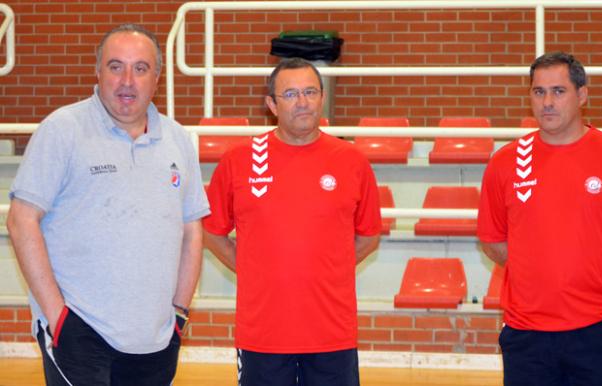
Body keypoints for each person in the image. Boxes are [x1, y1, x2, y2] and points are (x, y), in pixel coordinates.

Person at [7, 24, 209, 385]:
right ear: (98, 72)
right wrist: (58, 318)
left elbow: (192, 230)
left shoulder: (177, 139)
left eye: (140, 68)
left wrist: (179, 313)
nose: (127, 80)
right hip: (80, 333)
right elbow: (22, 221)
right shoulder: (62, 130)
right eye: (116, 67)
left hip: (157, 337)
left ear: (157, 77)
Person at [477, 51, 602, 386]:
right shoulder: (504, 163)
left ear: (582, 95)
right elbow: (491, 240)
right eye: (538, 91)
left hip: (600, 329)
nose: (547, 102)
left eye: (558, 91)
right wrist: (536, 274)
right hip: (527, 333)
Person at [203, 57, 381, 386]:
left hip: (332, 333)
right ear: (271, 103)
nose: (302, 102)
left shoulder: (352, 161)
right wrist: (255, 269)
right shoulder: (238, 161)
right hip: (263, 334)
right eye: (290, 94)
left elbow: (368, 237)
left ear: (322, 97)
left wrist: (326, 269)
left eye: (310, 91)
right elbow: (211, 233)